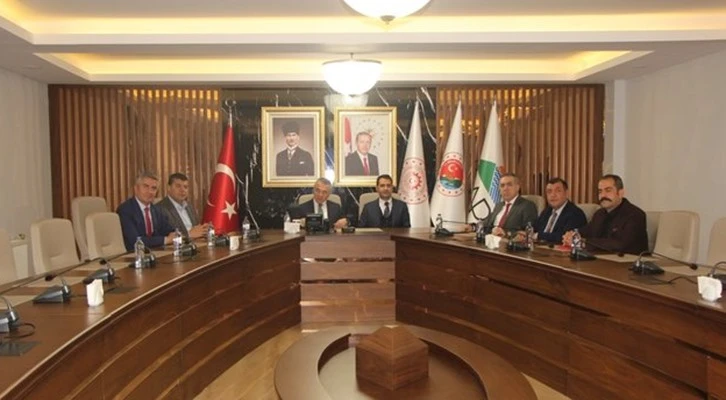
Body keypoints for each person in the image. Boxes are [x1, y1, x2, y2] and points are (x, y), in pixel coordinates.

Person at [563, 174, 648, 254]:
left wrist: (583, 242)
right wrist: (572, 235)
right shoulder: (599, 214)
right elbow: (586, 231)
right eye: (600, 191)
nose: (603, 195)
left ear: (620, 193)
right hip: (601, 259)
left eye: (608, 190)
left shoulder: (635, 215)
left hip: (627, 262)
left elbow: (620, 244)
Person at [117, 171, 176, 251]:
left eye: (153, 188)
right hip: (134, 255)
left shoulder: (158, 210)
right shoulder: (125, 210)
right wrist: (165, 240)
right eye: (145, 186)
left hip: (157, 253)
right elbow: (135, 241)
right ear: (136, 188)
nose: (150, 192)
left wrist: (174, 235)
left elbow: (171, 232)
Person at [528, 177, 587, 244]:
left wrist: (537, 236)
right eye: (549, 192)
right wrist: (524, 233)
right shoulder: (547, 211)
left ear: (566, 193)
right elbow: (534, 228)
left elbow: (563, 237)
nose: (553, 195)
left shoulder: (575, 214)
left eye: (558, 191)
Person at [156, 173, 208, 239]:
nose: (182, 190)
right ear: (169, 188)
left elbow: (196, 229)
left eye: (185, 187)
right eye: (178, 186)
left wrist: (204, 229)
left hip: (196, 243)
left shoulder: (189, 206)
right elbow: (164, 236)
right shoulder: (160, 208)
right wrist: (188, 235)